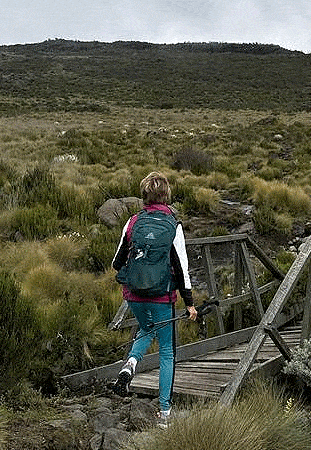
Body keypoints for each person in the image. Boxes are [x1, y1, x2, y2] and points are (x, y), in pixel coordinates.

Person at [111, 171, 197, 428]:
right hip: (162, 297)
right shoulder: (173, 224)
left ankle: (130, 364)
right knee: (167, 352)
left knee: (146, 329)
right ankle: (164, 413)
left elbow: (117, 263)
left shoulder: (133, 221)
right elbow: (182, 267)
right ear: (166, 195)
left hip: (134, 295)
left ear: (144, 195)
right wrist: (190, 303)